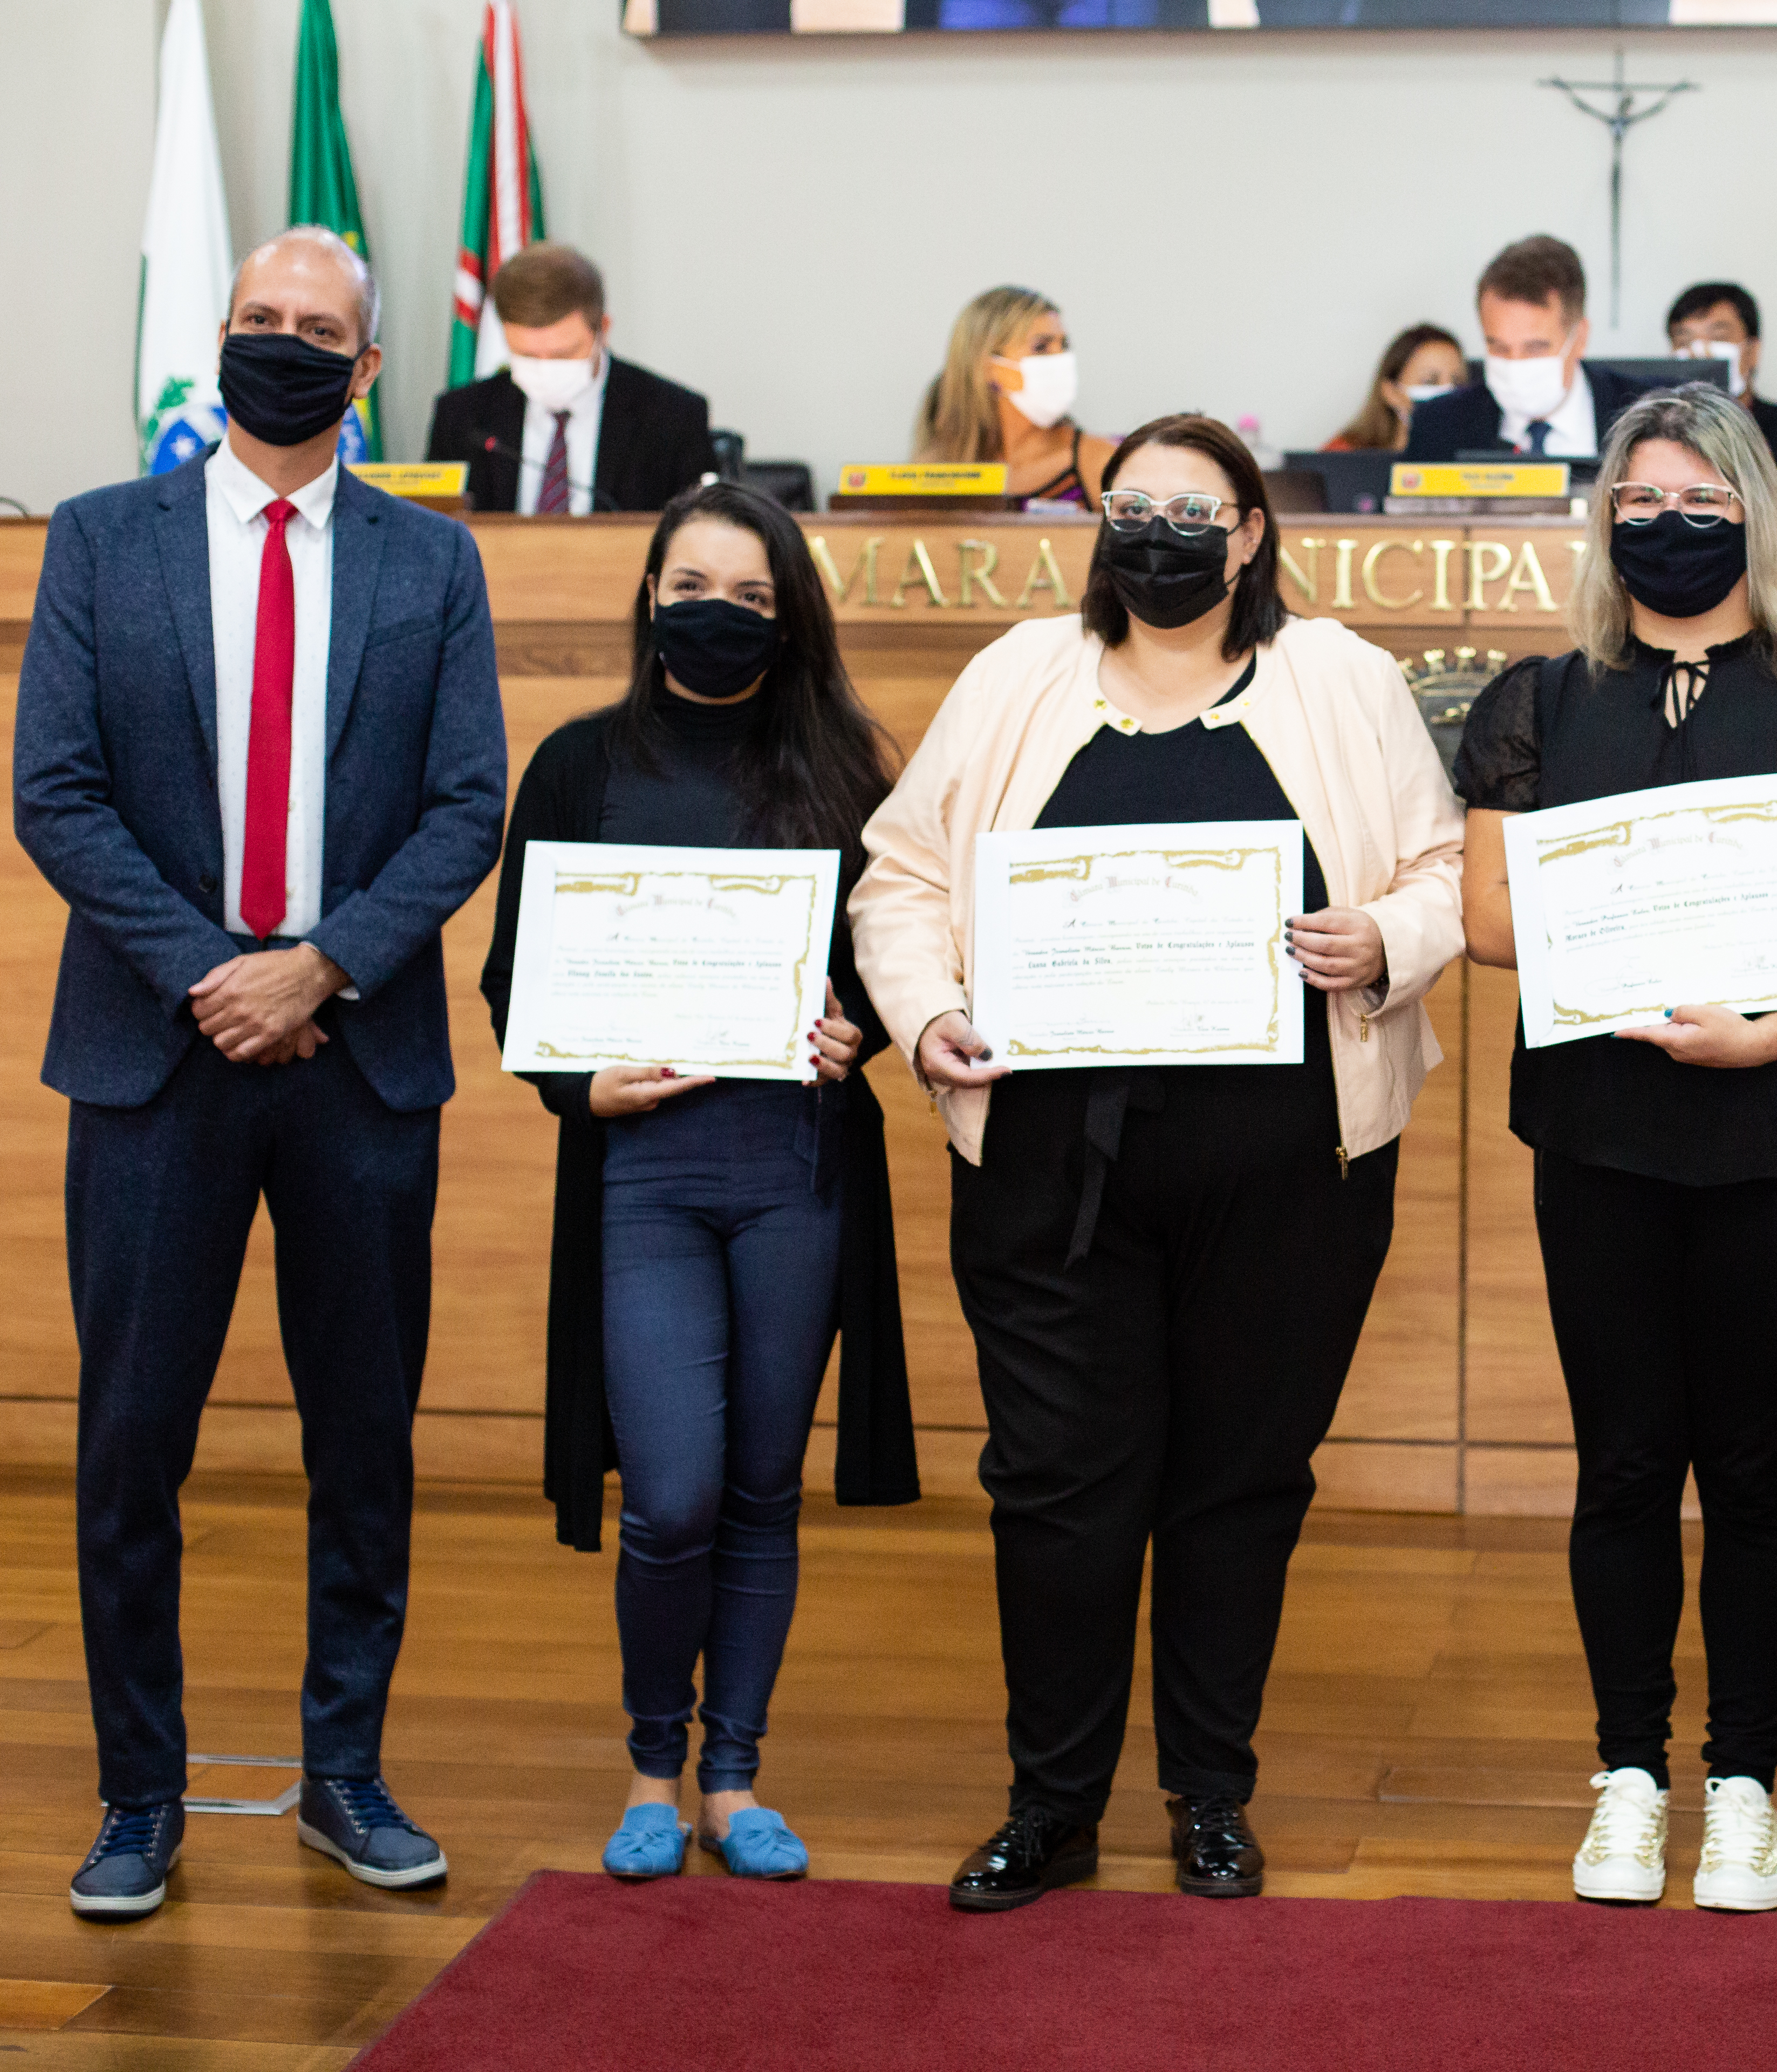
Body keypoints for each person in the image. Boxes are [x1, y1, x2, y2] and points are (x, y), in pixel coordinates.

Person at [850, 413, 1465, 1912]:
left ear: (1252, 533)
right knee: (1059, 1487)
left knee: (1238, 1485)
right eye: (1135, 507)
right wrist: (926, 1019)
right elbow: (903, 878)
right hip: (1050, 1171)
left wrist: (1386, 937)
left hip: (1291, 1174)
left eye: (1197, 511)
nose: (1163, 533)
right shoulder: (1015, 677)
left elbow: (1446, 868)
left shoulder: (1348, 682)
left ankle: (1210, 1795)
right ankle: (1052, 1805)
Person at [12, 227, 507, 1921]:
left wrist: (322, 962)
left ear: (368, 372)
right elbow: (56, 792)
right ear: (215, 343)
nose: (284, 345)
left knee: (361, 1437)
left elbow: (466, 806)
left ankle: (343, 1774)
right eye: (259, 322)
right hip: (156, 1058)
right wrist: (216, 975)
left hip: (360, 1057)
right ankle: (139, 1791)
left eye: (319, 331)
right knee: (131, 1439)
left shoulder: (432, 566)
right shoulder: (98, 541)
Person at [1455, 385, 1777, 1914]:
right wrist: (1620, 933)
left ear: (1755, 521)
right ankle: (1628, 1775)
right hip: (1598, 1133)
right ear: (1604, 519)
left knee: (1754, 1470)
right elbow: (1489, 918)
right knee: (1624, 1465)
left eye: (1703, 505)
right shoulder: (1541, 699)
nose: (1669, 527)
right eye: (1642, 502)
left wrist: (1769, 1031)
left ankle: (1743, 1784)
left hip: (1771, 1129)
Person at [479, 483, 918, 1884]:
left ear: (787, 617)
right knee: (667, 1492)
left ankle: (734, 1778)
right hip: (643, 1176)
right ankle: (649, 1767)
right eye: (690, 586)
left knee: (760, 1484)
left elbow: (902, 962)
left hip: (794, 1169)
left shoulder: (852, 768)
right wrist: (575, 1084)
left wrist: (871, 1027)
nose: (714, 613)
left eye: (746, 595)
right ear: (646, 595)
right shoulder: (579, 765)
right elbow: (512, 980)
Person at [425, 242, 717, 515]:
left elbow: (698, 539)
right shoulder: (462, 417)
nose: (544, 368)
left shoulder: (673, 416)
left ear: (603, 329)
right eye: (526, 355)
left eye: (563, 354)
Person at [1404, 236, 1648, 462]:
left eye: (1534, 349)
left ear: (1580, 338)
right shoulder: (1438, 425)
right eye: (1498, 347)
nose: (1514, 364)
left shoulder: (1652, 415)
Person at [912, 285, 1118, 509]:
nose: (1062, 359)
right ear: (988, 365)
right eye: (1041, 347)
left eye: (1065, 346)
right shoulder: (937, 470)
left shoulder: (1098, 460)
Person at [1665, 281, 1777, 515]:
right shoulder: (1656, 438)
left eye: (1717, 338)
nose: (1700, 353)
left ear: (1753, 351)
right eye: (1685, 342)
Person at [1325, 323, 1469, 452]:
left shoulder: (1477, 459)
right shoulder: (1344, 454)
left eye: (1457, 382)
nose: (1449, 391)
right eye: (1429, 381)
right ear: (1392, 392)